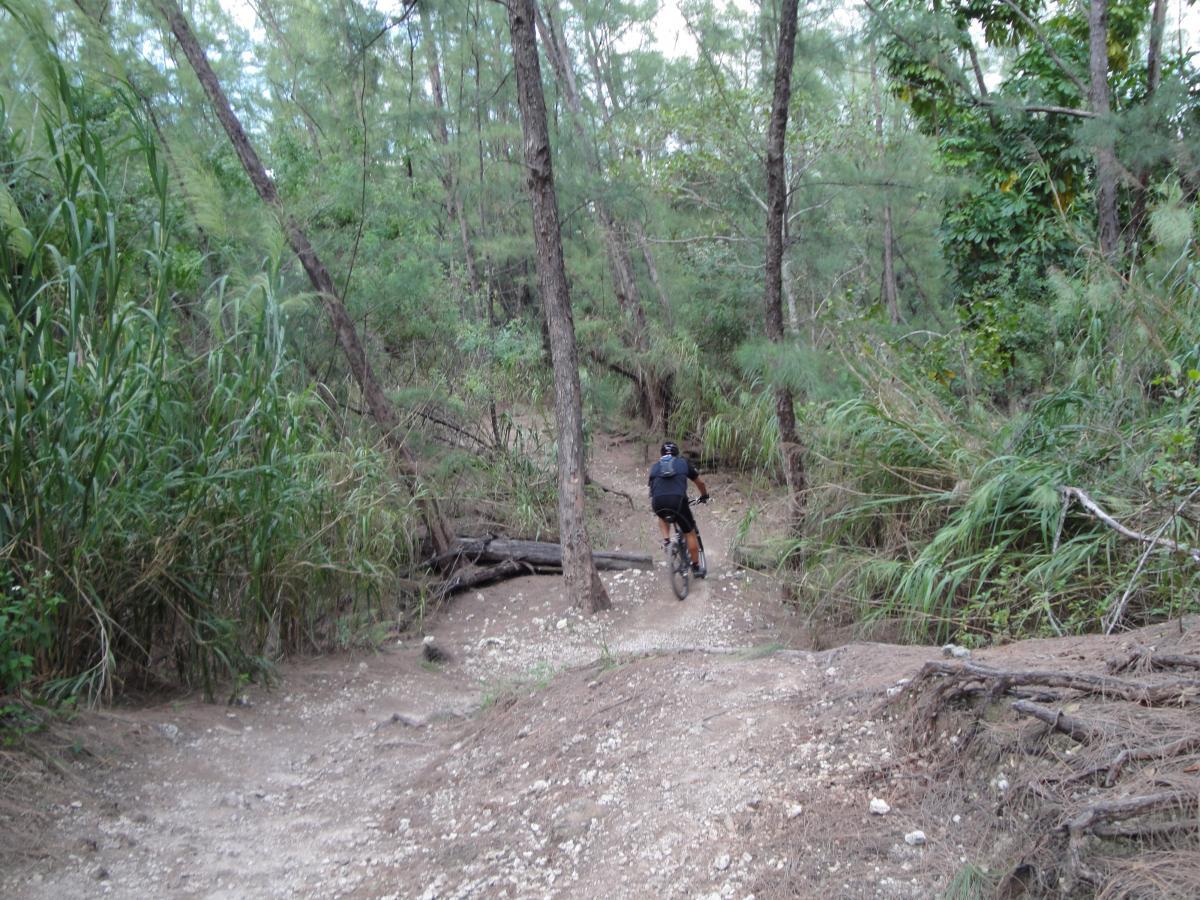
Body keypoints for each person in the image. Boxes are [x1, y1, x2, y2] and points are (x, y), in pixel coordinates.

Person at [648, 441, 709, 575]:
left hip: (658, 502)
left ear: (662, 454)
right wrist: (704, 495)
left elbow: (652, 489)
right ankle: (696, 567)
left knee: (662, 515)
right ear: (677, 453)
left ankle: (667, 542)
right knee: (690, 533)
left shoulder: (655, 467)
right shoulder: (682, 463)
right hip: (678, 502)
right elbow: (700, 482)